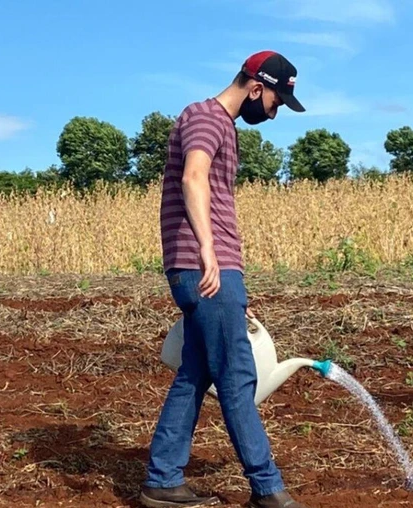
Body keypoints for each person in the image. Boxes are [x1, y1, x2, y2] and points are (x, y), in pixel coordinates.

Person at [140, 51, 308, 508]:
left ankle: (162, 479)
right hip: (205, 268)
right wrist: (210, 254)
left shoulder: (221, 126)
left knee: (196, 372)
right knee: (237, 376)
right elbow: (194, 178)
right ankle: (268, 489)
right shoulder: (206, 117)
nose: (273, 113)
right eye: (276, 102)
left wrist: (231, 287)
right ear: (256, 87)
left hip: (214, 272)